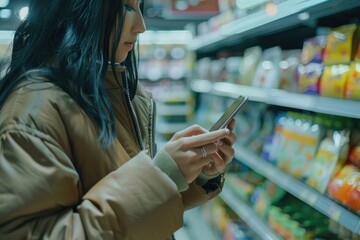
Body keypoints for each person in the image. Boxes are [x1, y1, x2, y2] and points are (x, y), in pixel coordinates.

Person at [0, 1, 236, 239]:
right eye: (126, 7)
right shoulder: (32, 114)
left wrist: (193, 173)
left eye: (139, 7)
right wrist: (161, 177)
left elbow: (129, 207)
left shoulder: (110, 91)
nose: (141, 26)